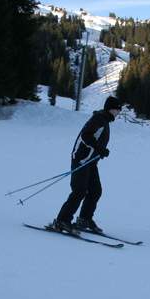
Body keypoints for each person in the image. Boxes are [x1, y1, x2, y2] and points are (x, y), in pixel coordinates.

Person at [52, 96, 122, 234]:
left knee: (95, 190)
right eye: (117, 109)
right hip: (81, 159)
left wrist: (100, 151)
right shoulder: (99, 119)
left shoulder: (104, 120)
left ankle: (84, 219)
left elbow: (95, 139)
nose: (118, 112)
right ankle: (62, 220)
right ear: (111, 109)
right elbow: (86, 135)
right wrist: (99, 149)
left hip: (90, 162)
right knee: (79, 190)